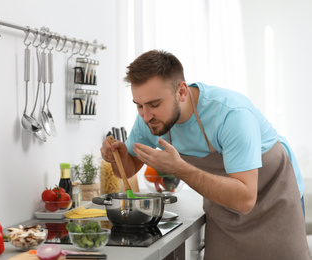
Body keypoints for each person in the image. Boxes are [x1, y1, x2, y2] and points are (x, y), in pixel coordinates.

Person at [100, 50, 311, 259]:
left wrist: (179, 168)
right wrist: (117, 158)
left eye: (155, 104)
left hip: (274, 200)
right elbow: (127, 170)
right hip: (224, 208)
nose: (146, 115)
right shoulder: (150, 119)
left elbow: (245, 198)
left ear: (182, 92)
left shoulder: (231, 114)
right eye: (139, 106)